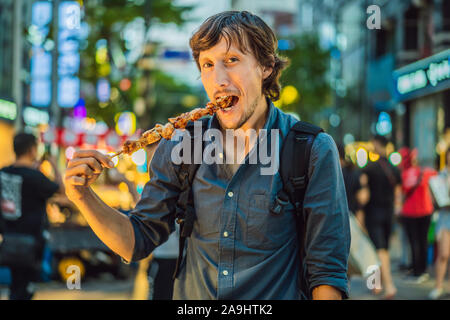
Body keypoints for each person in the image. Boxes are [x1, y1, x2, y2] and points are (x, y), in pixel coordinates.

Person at [64, 11, 350, 300]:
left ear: (265, 66)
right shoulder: (181, 144)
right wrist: (83, 197)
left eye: (232, 61)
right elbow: (136, 240)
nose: (219, 80)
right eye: (208, 65)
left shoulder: (311, 150)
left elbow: (326, 273)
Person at [0, 133, 63, 300]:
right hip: (31, 241)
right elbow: (61, 189)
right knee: (25, 288)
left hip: (8, 239)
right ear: (32, 149)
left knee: (16, 284)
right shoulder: (35, 177)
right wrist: (54, 165)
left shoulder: (3, 173)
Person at [362, 135, 402, 299]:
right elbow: (398, 191)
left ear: (377, 145)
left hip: (373, 213)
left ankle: (388, 285)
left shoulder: (369, 168)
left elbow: (363, 194)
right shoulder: (394, 168)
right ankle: (375, 285)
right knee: (381, 248)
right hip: (389, 213)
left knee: (378, 250)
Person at [399, 147, 437, 284]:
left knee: (414, 242)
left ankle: (417, 272)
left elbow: (402, 192)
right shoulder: (425, 172)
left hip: (410, 213)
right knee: (423, 242)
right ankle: (422, 271)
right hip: (426, 212)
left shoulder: (404, 174)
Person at [429, 147, 450, 299]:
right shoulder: (441, 175)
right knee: (443, 253)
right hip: (445, 217)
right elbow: (435, 199)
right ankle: (438, 286)